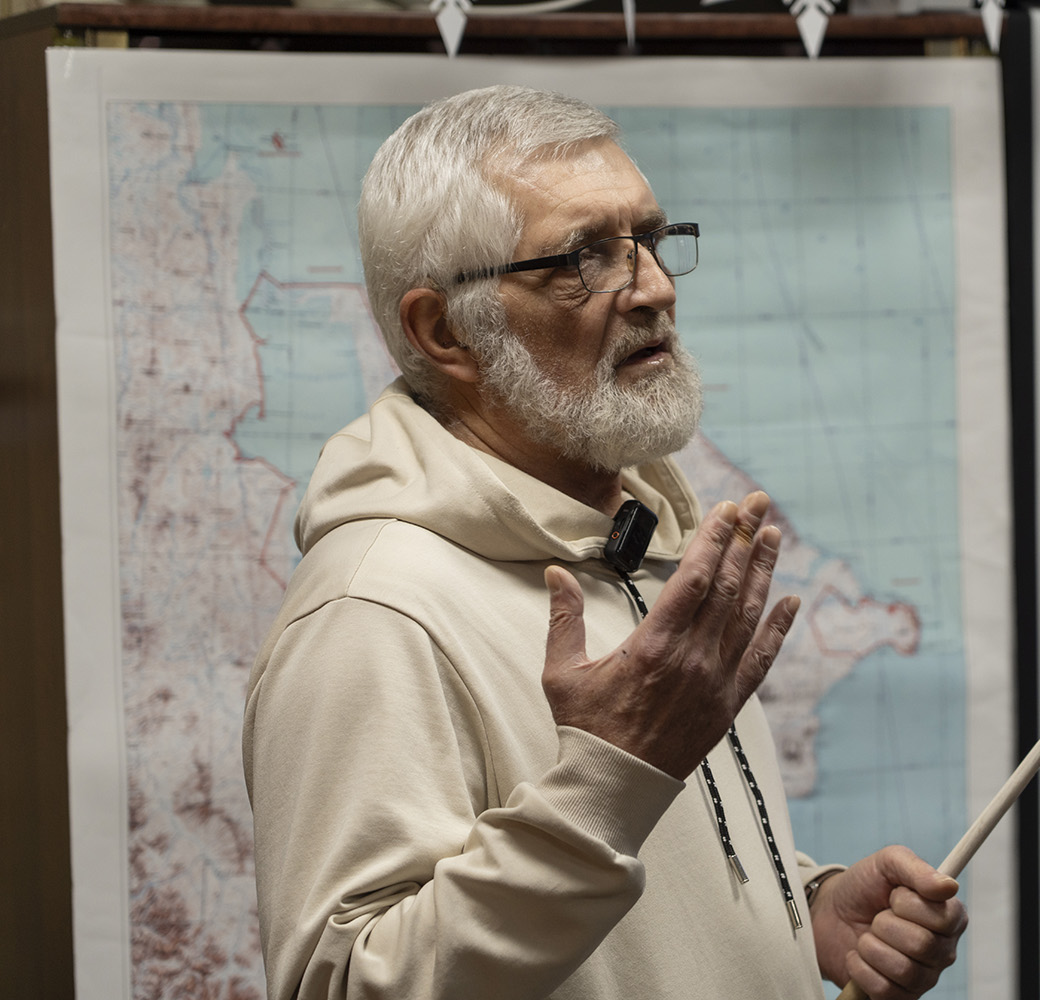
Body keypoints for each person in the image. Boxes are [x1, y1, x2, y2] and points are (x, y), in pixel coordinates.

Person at [242, 85, 967, 1000]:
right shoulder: (373, 610)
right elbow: (343, 985)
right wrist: (607, 781)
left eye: (650, 241)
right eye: (585, 258)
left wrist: (804, 908)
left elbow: (628, 875)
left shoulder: (635, 541)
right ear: (443, 330)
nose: (656, 288)